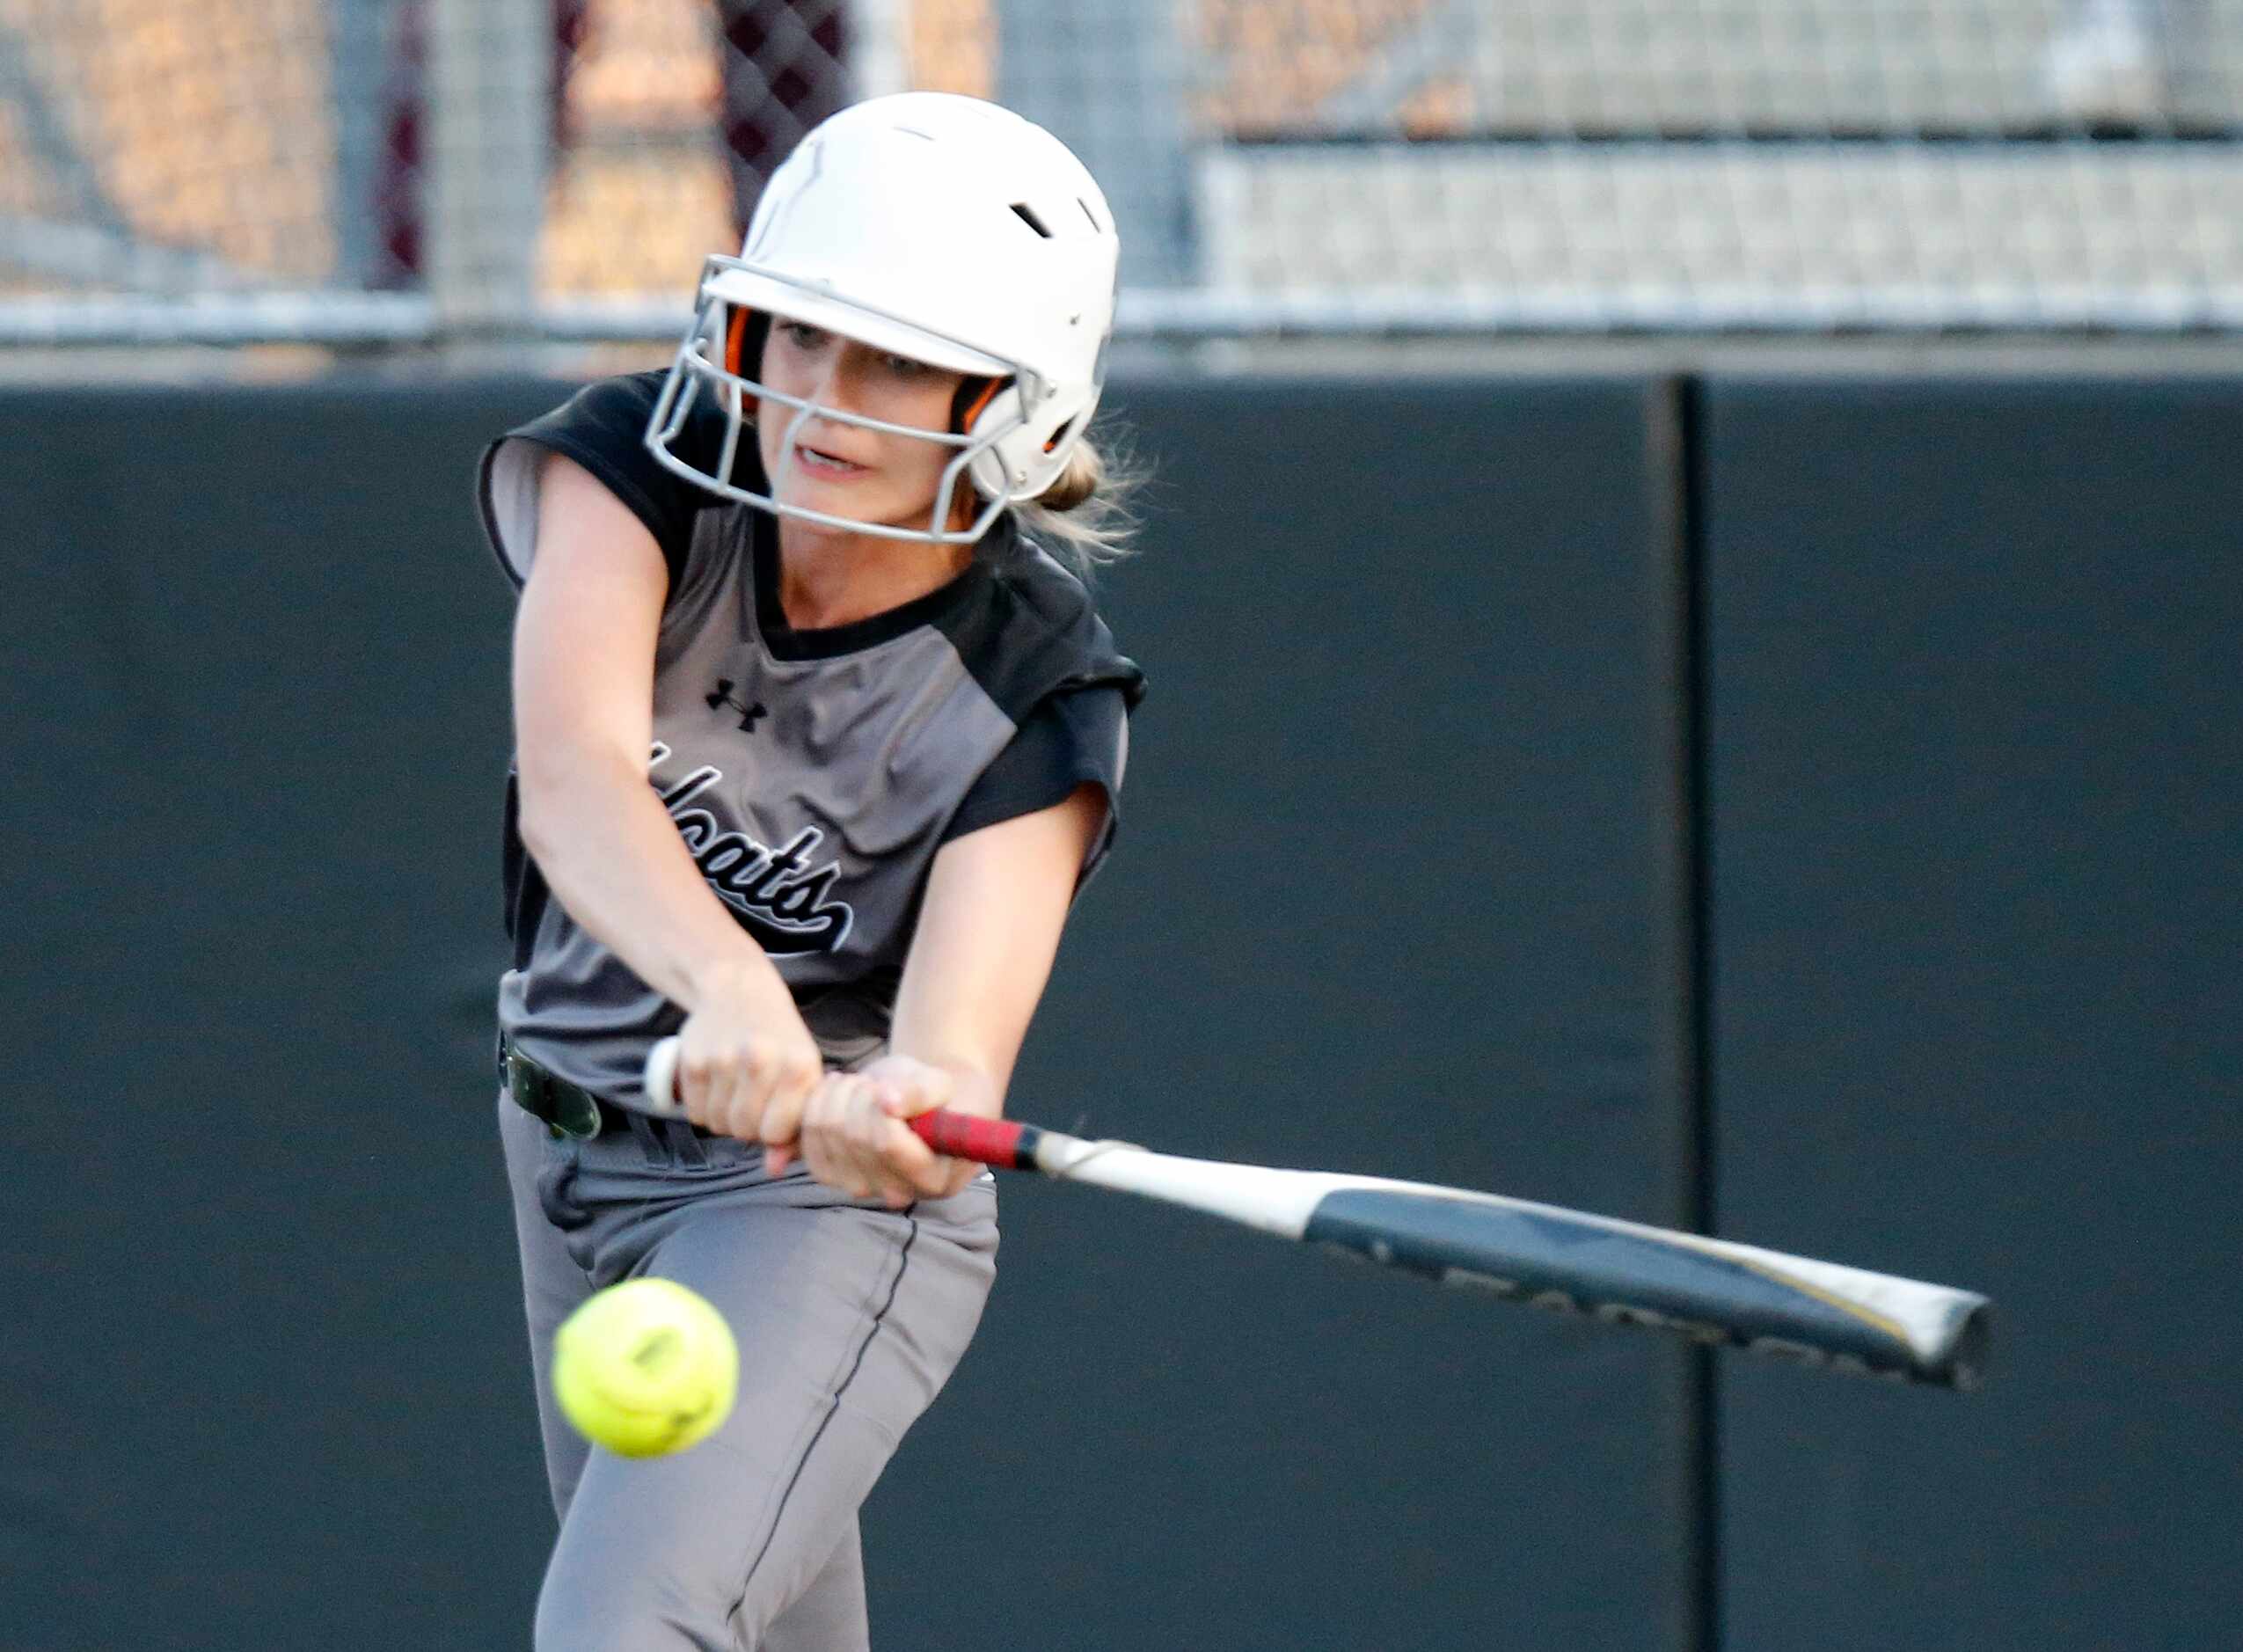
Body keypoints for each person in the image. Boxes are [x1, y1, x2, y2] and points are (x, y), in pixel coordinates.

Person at [477, 91, 1143, 1651]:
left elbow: (951, 1062)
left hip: (802, 1210)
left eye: (899, 360)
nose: (827, 401)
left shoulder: (1041, 690)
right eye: (799, 336)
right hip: (560, 1146)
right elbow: (574, 786)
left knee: (624, 1630)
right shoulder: (638, 461)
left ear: (1012, 404)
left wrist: (892, 1108)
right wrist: (726, 988)